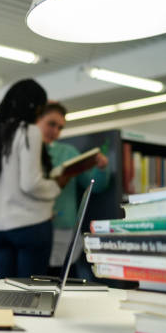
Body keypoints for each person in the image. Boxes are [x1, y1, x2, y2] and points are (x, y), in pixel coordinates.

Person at [0, 79, 69, 279]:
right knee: (30, 295)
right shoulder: (27, 131)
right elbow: (30, 183)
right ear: (34, 106)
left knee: (5, 292)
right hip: (30, 226)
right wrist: (56, 185)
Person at [36, 102, 109, 278]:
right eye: (51, 124)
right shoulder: (27, 151)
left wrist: (101, 168)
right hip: (34, 226)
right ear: (37, 120)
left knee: (63, 279)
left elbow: (95, 185)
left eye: (60, 127)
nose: (55, 131)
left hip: (64, 228)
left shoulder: (68, 152)